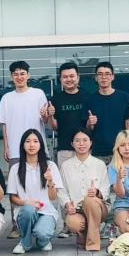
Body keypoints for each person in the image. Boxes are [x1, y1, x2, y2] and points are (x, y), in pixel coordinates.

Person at [0, 60, 48, 239]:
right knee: (16, 188)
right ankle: (16, 225)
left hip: (37, 148)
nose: (19, 77)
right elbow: (4, 125)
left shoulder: (38, 94)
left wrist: (46, 115)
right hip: (15, 150)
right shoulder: (6, 98)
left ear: (28, 75)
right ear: (11, 77)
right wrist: (6, 146)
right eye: (16, 74)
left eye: (22, 73)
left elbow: (45, 119)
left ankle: (42, 219)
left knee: (40, 185)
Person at [46, 61, 94, 237]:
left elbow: (90, 125)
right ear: (60, 79)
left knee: (86, 183)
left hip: (85, 148)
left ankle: (88, 219)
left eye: (72, 76)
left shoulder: (88, 96)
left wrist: (91, 123)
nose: (69, 79)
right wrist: (51, 116)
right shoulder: (56, 99)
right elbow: (54, 127)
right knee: (64, 185)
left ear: (78, 77)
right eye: (65, 77)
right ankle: (68, 223)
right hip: (64, 148)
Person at [7, 129, 64, 254]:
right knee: (28, 210)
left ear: (41, 144)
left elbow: (53, 197)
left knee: (42, 233)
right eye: (28, 141)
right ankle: (25, 242)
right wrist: (26, 202)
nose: (31, 145)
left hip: (46, 212)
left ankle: (42, 241)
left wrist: (50, 181)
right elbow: (12, 198)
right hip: (25, 211)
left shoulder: (50, 166)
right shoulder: (16, 168)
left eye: (35, 141)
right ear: (23, 145)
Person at [58, 129, 109, 251]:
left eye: (85, 140)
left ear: (91, 143)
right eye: (77, 141)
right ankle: (84, 234)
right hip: (76, 210)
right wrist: (67, 204)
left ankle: (93, 243)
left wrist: (97, 192)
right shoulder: (65, 166)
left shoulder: (99, 164)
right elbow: (61, 190)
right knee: (73, 223)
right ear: (72, 144)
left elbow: (106, 189)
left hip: (97, 208)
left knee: (90, 200)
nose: (81, 144)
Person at [89, 62, 129, 164]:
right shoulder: (90, 99)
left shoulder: (124, 97)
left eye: (107, 74)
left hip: (120, 150)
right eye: (100, 74)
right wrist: (90, 123)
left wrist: (128, 143)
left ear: (113, 77)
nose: (104, 77)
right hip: (98, 152)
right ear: (96, 78)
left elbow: (128, 122)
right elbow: (88, 128)